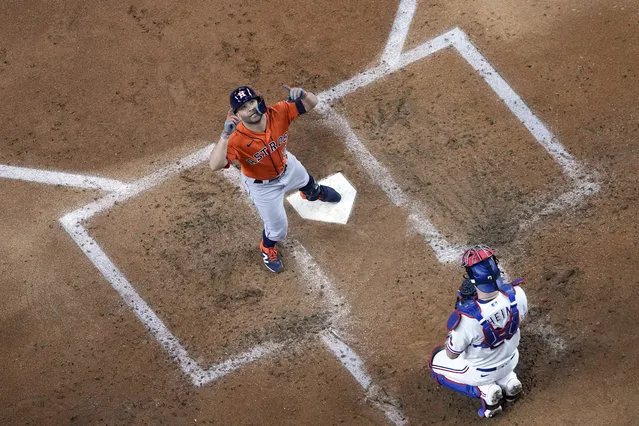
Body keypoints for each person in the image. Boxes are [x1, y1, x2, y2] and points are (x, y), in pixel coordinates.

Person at [209, 85, 341, 273]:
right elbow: (215, 165)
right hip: (263, 188)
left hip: (287, 167)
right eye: (243, 108)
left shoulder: (278, 112)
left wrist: (303, 94)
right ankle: (267, 247)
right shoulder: (236, 139)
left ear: (258, 101)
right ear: (236, 114)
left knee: (308, 183)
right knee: (278, 229)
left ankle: (313, 194)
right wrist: (224, 136)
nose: (250, 109)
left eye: (251, 102)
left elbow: (312, 103)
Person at [428, 244, 529, 418]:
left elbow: (452, 354)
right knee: (495, 347)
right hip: (512, 359)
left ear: (473, 279)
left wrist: (454, 337)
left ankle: (486, 392)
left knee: (436, 359)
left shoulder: (467, 320)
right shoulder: (517, 294)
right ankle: (510, 382)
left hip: (481, 372)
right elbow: (522, 318)